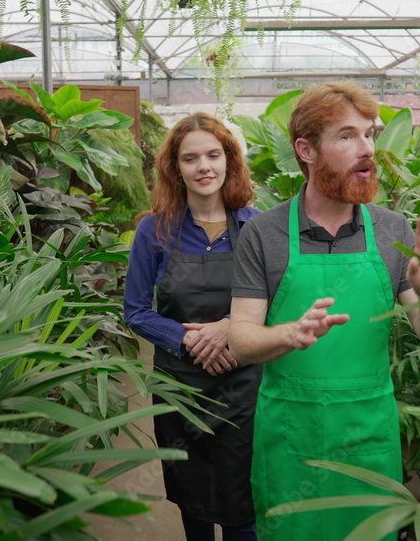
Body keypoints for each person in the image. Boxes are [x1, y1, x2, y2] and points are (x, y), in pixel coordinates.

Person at [228, 82, 420, 540]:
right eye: (347, 136)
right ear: (305, 149)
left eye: (369, 134)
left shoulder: (391, 228)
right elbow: (240, 340)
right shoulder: (264, 234)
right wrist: (288, 335)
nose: (367, 148)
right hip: (293, 437)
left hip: (367, 437)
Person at [124, 112, 263, 541]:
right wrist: (186, 339)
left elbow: (277, 301)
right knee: (193, 499)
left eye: (213, 155)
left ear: (229, 161)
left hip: (242, 384)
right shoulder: (154, 230)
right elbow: (135, 311)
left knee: (243, 503)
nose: (204, 167)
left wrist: (227, 327)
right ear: (175, 168)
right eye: (190, 158)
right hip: (179, 387)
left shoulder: (257, 226)